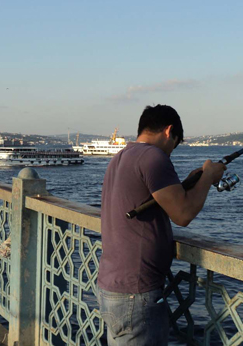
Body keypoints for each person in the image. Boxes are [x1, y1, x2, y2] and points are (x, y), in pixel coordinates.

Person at [97, 105, 226, 346]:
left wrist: (189, 182)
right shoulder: (153, 157)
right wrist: (208, 177)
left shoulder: (121, 158)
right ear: (169, 131)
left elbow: (151, 200)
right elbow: (183, 214)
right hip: (136, 294)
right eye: (175, 143)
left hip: (112, 286)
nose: (171, 152)